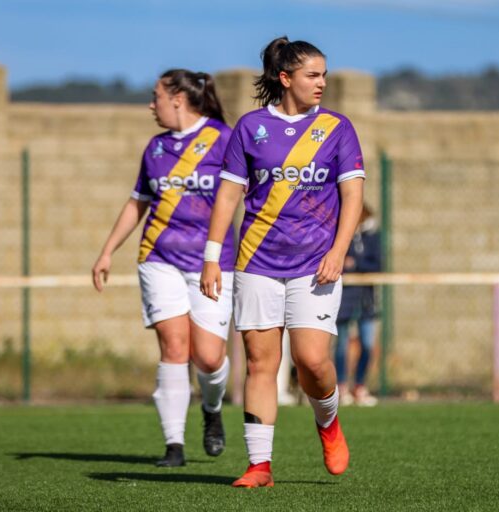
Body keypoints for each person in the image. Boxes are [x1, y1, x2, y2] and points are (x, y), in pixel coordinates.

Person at [200, 36, 365, 488]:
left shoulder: (337, 128)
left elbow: (353, 196)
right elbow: (228, 196)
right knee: (260, 363)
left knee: (312, 360)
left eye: (325, 74)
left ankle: (328, 421)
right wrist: (212, 257)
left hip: (316, 264)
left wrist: (338, 251)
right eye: (313, 75)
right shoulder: (250, 127)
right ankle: (260, 466)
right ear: (285, 78)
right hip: (257, 263)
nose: (322, 82)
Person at [92, 69, 235, 467]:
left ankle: (212, 408)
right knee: (174, 347)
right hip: (159, 258)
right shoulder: (155, 149)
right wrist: (107, 252)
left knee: (208, 357)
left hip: (213, 262)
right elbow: (137, 202)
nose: (151, 105)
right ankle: (174, 445)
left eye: (155, 97)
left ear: (177, 99)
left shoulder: (224, 139)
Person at [335, 203, 381, 406]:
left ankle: (360, 385)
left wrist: (355, 263)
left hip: (366, 299)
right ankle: (341, 386)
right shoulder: (340, 232)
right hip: (344, 297)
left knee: (367, 344)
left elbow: (378, 264)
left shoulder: (372, 235)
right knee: (341, 344)